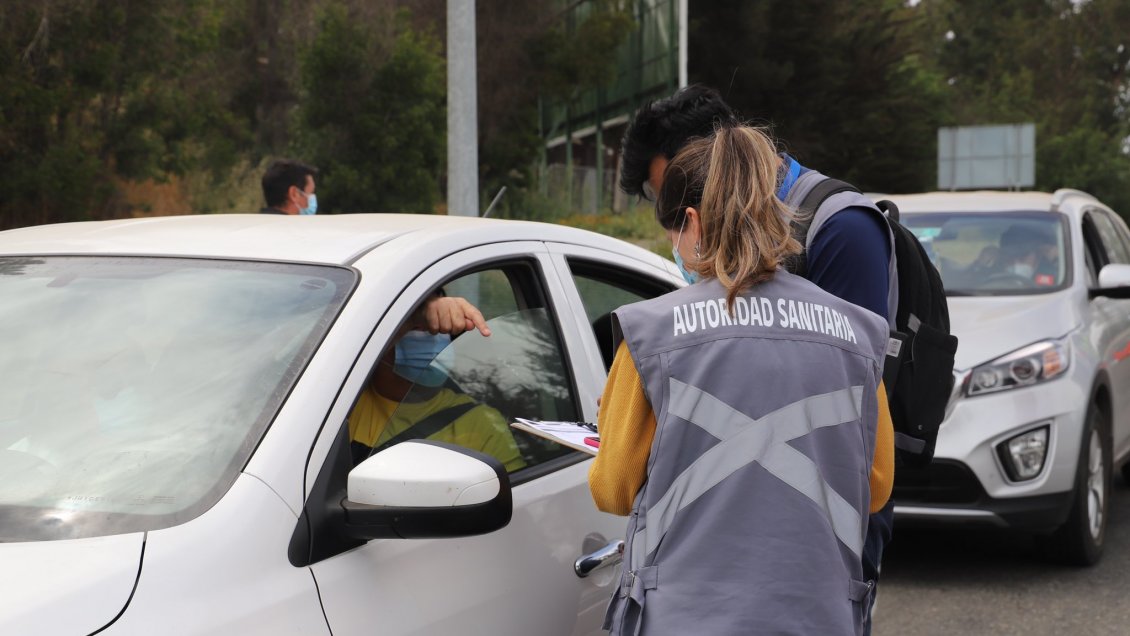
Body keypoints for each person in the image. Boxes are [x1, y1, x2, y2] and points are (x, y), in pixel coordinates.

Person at [591, 126, 892, 635]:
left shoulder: (651, 334)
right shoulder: (858, 334)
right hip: (816, 617)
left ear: (692, 222)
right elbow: (877, 486)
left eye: (672, 232)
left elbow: (614, 489)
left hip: (685, 618)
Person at [346, 293, 526, 472]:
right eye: (417, 328)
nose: (432, 342)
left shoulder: (481, 422)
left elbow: (512, 494)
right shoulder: (342, 404)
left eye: (440, 330)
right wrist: (414, 315)